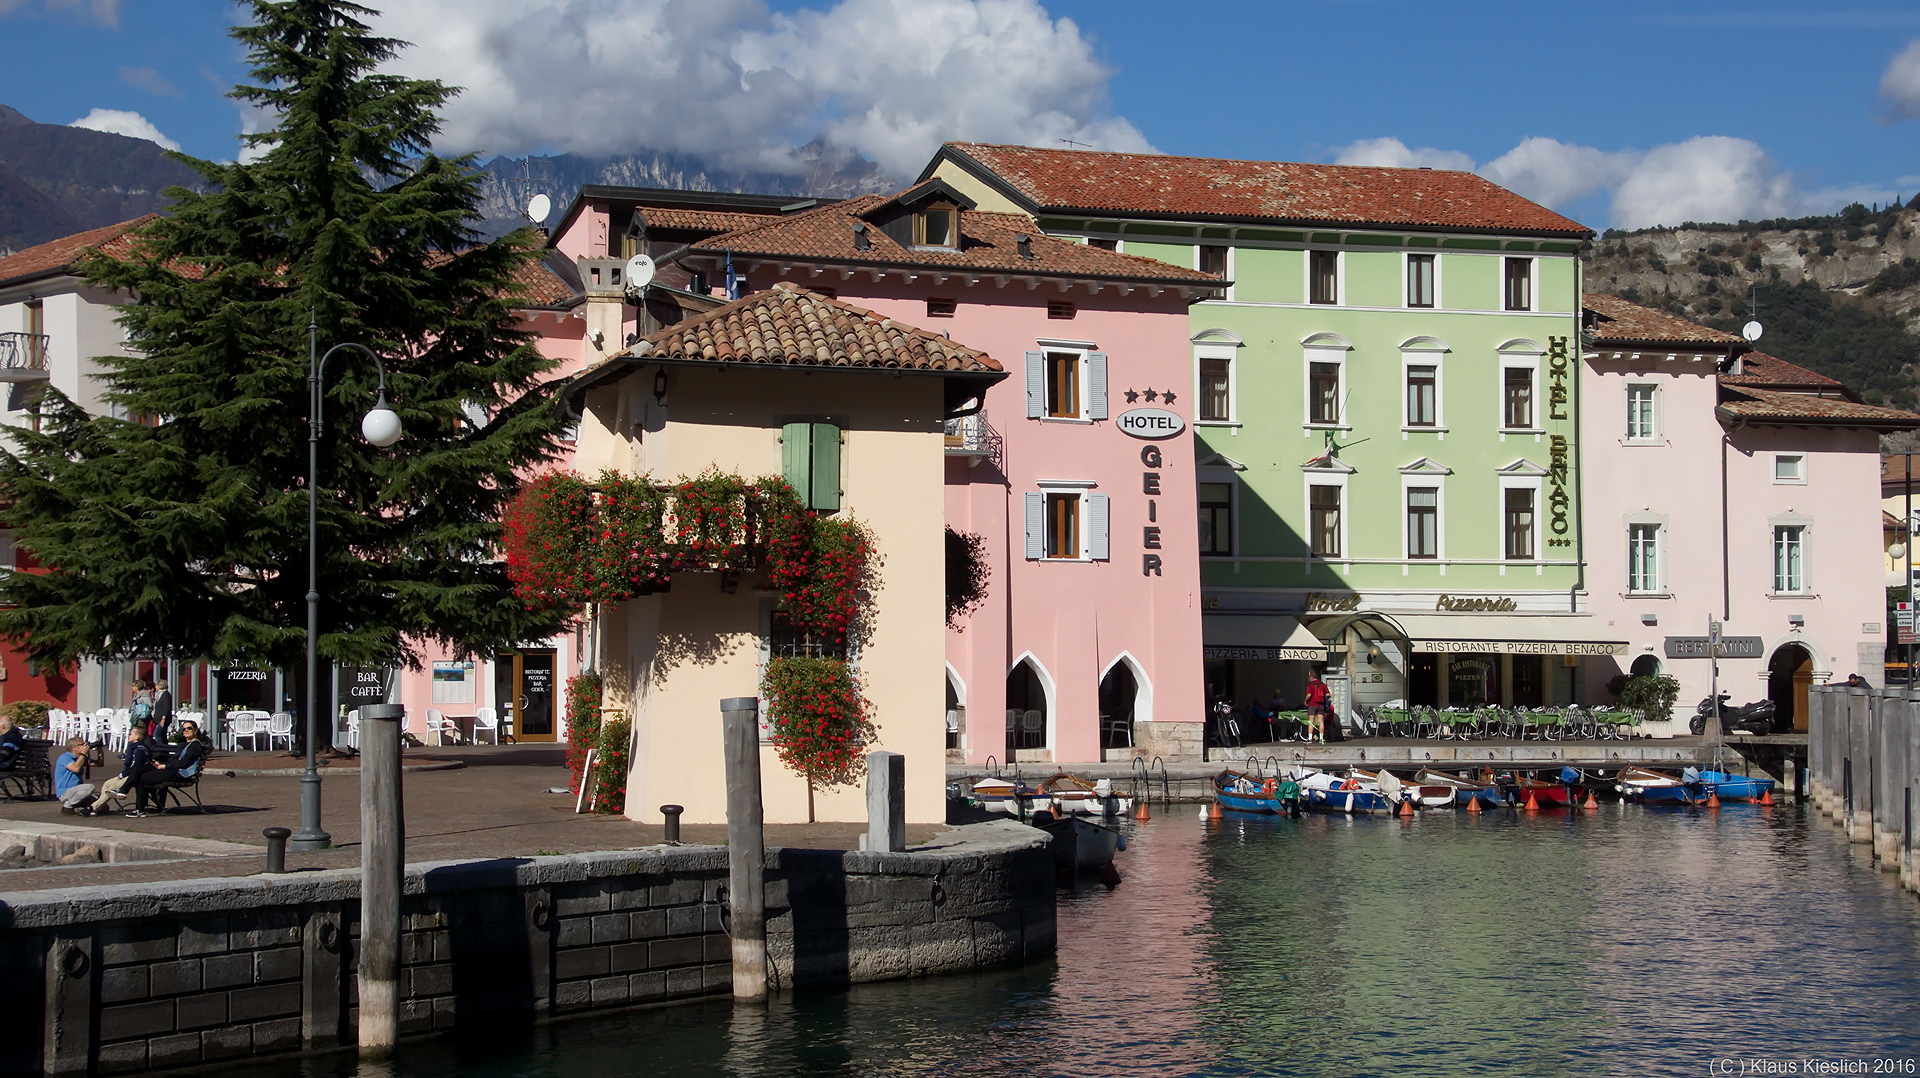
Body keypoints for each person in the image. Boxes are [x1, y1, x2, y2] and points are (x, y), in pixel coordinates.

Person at [134, 720, 207, 815]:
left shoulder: (195, 745)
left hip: (181, 774)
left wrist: (165, 766)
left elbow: (183, 763)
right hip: (175, 771)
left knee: (142, 777)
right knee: (141, 769)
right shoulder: (188, 744)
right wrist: (160, 764)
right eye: (183, 729)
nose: (186, 730)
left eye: (189, 728)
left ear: (196, 730)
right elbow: (176, 760)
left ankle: (139, 808)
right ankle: (150, 805)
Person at [86, 725, 153, 816]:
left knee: (111, 788)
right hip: (125, 774)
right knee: (107, 784)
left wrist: (123, 775)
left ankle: (92, 808)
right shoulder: (133, 747)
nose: (128, 735)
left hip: (133, 776)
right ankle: (98, 807)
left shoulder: (139, 750)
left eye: (130, 734)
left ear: (137, 737)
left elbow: (135, 767)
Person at [54, 737, 96, 815]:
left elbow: (99, 764)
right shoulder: (65, 757)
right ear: (74, 748)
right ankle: (67, 807)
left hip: (78, 792)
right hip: (65, 792)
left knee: (102, 807)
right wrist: (83, 754)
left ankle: (78, 807)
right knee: (90, 787)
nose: (85, 746)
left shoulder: (79, 758)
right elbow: (75, 768)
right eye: (82, 745)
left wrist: (99, 750)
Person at [1303, 672, 1331, 744]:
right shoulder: (1323, 685)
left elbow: (1309, 695)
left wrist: (1305, 701)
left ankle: (1310, 738)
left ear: (1311, 677)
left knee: (1311, 722)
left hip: (1312, 705)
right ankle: (1321, 738)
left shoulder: (1310, 686)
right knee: (1321, 721)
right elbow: (1328, 694)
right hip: (1321, 705)